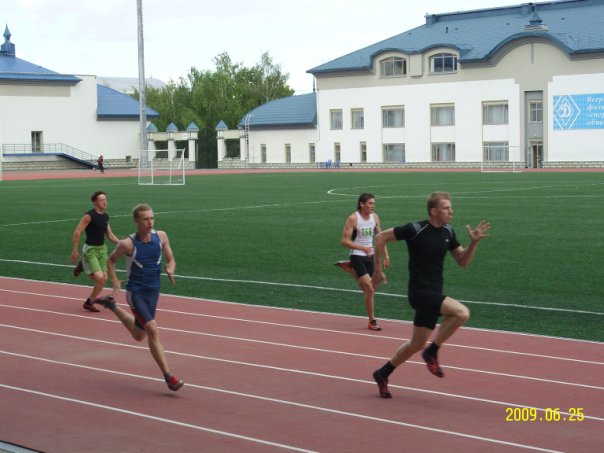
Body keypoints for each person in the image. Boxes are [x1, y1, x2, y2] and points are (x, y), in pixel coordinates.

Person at [371, 192, 490, 398]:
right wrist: (378, 269)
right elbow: (380, 237)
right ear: (434, 211)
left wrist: (473, 243)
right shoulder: (416, 229)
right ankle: (432, 351)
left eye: (451, 208)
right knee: (461, 313)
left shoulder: (448, 231)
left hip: (434, 293)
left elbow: (462, 261)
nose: (451, 212)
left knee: (416, 344)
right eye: (446, 208)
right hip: (419, 293)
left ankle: (383, 373)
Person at [93, 203, 184, 392]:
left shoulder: (161, 236)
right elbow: (111, 260)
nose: (150, 222)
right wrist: (115, 280)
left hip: (154, 291)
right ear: (136, 221)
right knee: (152, 329)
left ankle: (112, 306)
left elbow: (171, 258)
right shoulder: (128, 244)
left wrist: (170, 267)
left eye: (152, 218)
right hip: (136, 292)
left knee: (139, 335)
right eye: (145, 219)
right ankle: (169, 377)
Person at [336, 193, 389, 331]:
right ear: (362, 204)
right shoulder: (353, 218)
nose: (373, 206)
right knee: (370, 289)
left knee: (370, 289)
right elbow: (344, 241)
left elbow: (381, 237)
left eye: (373, 203)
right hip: (357, 255)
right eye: (370, 203)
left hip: (371, 256)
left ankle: (350, 269)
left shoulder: (375, 217)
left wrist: (386, 255)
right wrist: (362, 248)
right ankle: (372, 320)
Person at [70, 191, 119, 312]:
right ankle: (83, 265)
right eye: (102, 200)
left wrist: (122, 243)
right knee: (100, 278)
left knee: (104, 279)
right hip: (90, 250)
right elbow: (77, 232)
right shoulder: (89, 216)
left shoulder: (105, 217)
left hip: (102, 250)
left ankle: (89, 302)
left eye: (106, 199)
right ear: (95, 202)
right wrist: (75, 250)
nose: (105, 202)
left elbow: (110, 235)